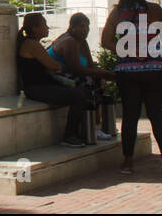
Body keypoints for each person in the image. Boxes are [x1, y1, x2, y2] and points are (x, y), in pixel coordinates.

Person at [100, 0, 162, 174]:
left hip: (127, 71)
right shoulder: (155, 10)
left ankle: (127, 161)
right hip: (155, 69)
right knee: (157, 115)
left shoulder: (117, 13)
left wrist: (125, 50)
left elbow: (105, 40)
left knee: (130, 116)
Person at [16, 13, 91, 147]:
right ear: (35, 28)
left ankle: (83, 131)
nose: (47, 27)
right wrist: (51, 67)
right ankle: (69, 135)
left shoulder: (33, 44)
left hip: (40, 85)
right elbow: (54, 65)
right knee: (78, 95)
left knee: (80, 90)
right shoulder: (32, 45)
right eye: (44, 24)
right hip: (36, 88)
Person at [48, 13, 117, 141]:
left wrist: (102, 75)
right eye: (81, 26)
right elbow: (76, 69)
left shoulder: (82, 42)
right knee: (88, 81)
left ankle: (95, 124)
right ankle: (87, 127)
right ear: (72, 27)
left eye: (87, 26)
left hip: (70, 75)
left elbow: (91, 65)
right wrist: (106, 74)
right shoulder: (69, 41)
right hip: (55, 77)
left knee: (97, 80)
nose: (85, 30)